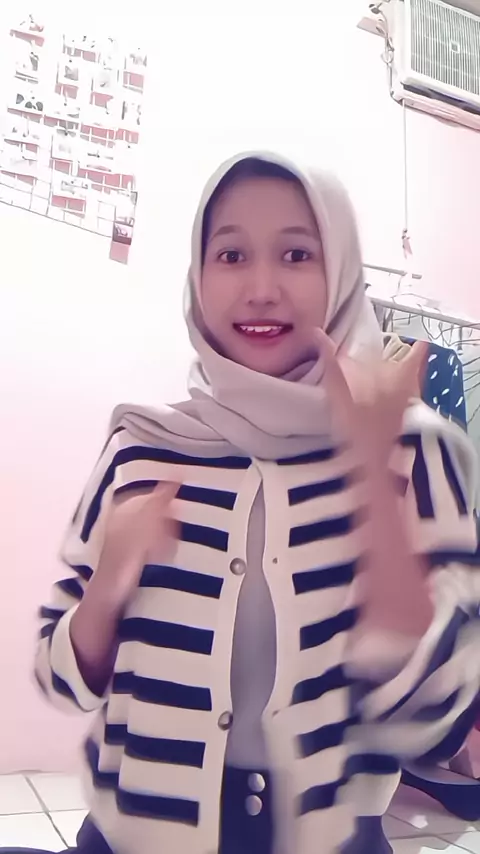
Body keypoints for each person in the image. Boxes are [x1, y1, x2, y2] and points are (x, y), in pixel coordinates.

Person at [16, 152, 480, 854]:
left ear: (340, 272)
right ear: (198, 277)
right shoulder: (141, 447)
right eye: (231, 255)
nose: (261, 290)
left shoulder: (409, 449)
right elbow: (64, 679)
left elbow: (438, 718)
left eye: (297, 254)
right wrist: (109, 581)